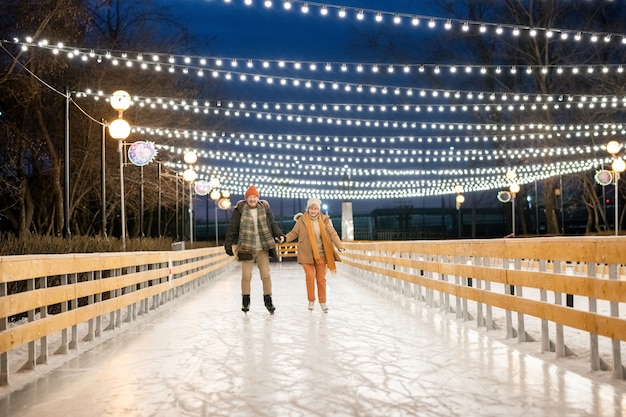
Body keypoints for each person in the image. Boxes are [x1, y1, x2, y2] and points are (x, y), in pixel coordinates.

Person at [224, 185, 284, 314]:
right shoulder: (239, 210)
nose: (252, 199)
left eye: (255, 197)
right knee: (246, 276)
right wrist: (228, 244)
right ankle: (245, 300)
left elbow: (272, 224)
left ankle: (268, 300)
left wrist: (279, 235)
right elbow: (233, 228)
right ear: (246, 198)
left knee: (266, 275)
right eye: (250, 197)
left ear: (258, 198)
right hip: (246, 248)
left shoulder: (265, 209)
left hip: (262, 247)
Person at [283, 198, 344, 312]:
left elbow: (332, 233)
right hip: (306, 254)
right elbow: (294, 233)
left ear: (318, 209)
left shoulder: (325, 220)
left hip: (322, 254)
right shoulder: (302, 220)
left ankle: (323, 302)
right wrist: (284, 239)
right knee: (310, 277)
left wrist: (339, 245)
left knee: (321, 279)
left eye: (315, 208)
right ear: (308, 209)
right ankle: (311, 300)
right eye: (311, 208)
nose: (313, 211)